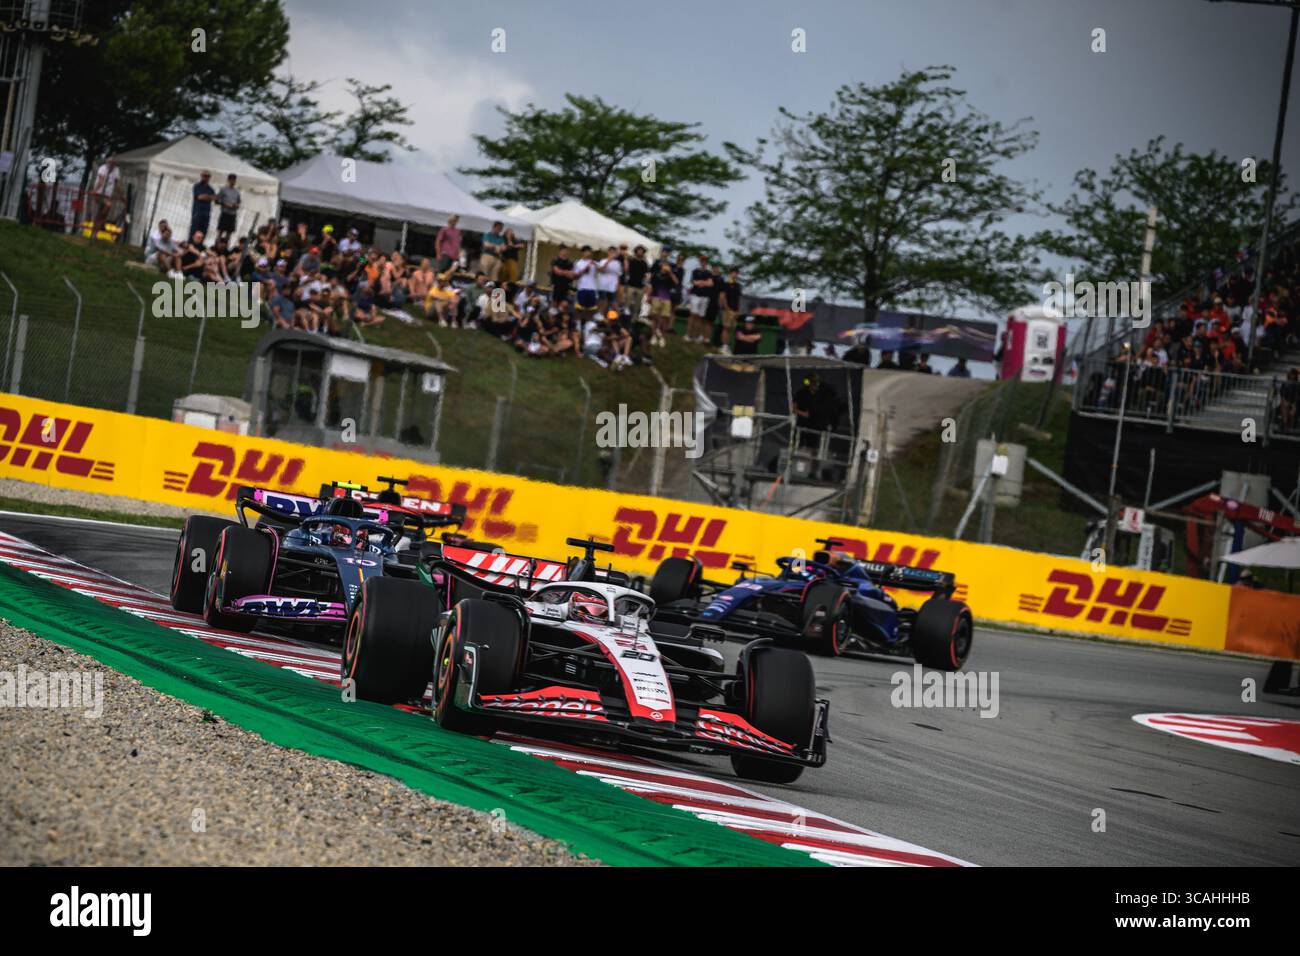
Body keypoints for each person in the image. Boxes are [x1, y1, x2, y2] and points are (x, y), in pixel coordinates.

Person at [687, 254, 713, 342]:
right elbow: (693, 282)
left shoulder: (709, 273)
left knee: (700, 317)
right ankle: (688, 334)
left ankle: (696, 336)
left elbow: (710, 283)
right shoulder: (695, 271)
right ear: (700, 261)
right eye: (702, 260)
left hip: (704, 297)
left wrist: (701, 282)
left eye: (705, 261)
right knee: (693, 315)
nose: (704, 262)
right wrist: (703, 282)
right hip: (695, 295)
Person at [718, 267, 742, 354]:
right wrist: (727, 308)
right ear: (730, 273)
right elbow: (722, 296)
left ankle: (727, 345)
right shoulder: (726, 284)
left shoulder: (738, 285)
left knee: (731, 328)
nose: (735, 274)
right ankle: (723, 345)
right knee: (726, 327)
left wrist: (739, 310)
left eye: (736, 273)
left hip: (735, 310)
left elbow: (738, 298)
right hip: (728, 310)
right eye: (733, 272)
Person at [573, 246, 600, 318]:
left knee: (591, 309)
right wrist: (584, 270)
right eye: (586, 251)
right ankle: (577, 324)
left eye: (589, 251)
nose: (588, 253)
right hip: (582, 288)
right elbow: (575, 276)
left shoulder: (594, 263)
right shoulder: (578, 263)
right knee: (579, 308)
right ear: (582, 253)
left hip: (592, 288)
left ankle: (588, 326)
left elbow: (602, 270)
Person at [624, 245, 650, 320]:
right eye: (639, 250)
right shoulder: (631, 260)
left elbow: (647, 274)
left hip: (640, 286)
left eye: (642, 251)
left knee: (637, 305)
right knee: (627, 303)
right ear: (636, 251)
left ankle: (634, 320)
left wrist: (646, 285)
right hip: (631, 285)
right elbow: (626, 270)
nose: (640, 252)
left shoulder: (644, 263)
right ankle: (625, 318)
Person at [189, 170, 217, 239]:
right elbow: (200, 197)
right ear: (201, 176)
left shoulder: (211, 189)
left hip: (206, 213)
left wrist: (206, 197)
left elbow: (215, 198)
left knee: (203, 231)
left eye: (208, 176)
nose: (206, 178)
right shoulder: (197, 186)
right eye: (204, 176)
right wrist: (209, 197)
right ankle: (190, 244)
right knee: (194, 229)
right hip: (197, 212)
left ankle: (199, 246)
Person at [216, 174, 241, 242]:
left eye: (234, 180)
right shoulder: (223, 189)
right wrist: (226, 204)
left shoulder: (237, 192)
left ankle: (225, 248)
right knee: (220, 232)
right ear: (228, 180)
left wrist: (236, 205)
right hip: (225, 213)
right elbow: (217, 200)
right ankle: (216, 246)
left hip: (232, 214)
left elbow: (239, 203)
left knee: (229, 233)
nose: (233, 181)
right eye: (231, 180)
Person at [596, 245, 622, 310]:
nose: (612, 254)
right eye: (611, 252)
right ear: (608, 252)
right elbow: (601, 270)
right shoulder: (603, 261)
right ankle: (599, 315)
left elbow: (618, 275)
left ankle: (605, 317)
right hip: (603, 286)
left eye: (614, 252)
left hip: (612, 287)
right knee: (602, 301)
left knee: (611, 303)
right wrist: (608, 261)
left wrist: (618, 286)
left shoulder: (618, 263)